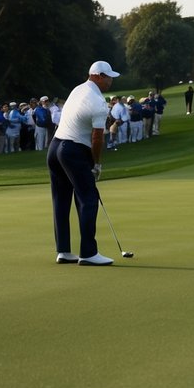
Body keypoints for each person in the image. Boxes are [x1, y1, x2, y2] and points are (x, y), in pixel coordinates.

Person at [48, 60, 121, 266]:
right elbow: (97, 138)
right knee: (88, 198)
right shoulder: (98, 102)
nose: (110, 82)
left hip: (54, 148)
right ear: (97, 76)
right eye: (107, 77)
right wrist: (96, 164)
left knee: (61, 200)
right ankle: (88, 253)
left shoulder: (78, 89)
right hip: (72, 149)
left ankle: (63, 250)